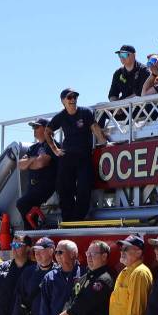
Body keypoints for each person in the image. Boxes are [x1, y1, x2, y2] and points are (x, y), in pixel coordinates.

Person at [46, 88, 112, 222]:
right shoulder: (61, 116)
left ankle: (78, 219)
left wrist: (105, 143)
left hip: (84, 156)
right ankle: (67, 220)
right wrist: (55, 149)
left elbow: (95, 128)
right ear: (63, 101)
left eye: (75, 97)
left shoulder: (85, 112)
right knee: (65, 189)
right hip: (67, 157)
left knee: (84, 188)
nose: (73, 100)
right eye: (69, 98)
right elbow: (47, 131)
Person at [16, 118, 57, 230]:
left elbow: (41, 163)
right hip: (32, 187)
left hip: (45, 186)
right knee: (26, 205)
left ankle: (31, 231)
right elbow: (20, 165)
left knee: (22, 203)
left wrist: (30, 162)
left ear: (46, 129)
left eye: (36, 127)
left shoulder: (51, 145)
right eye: (33, 127)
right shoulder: (32, 148)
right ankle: (32, 230)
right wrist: (33, 160)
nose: (33, 129)